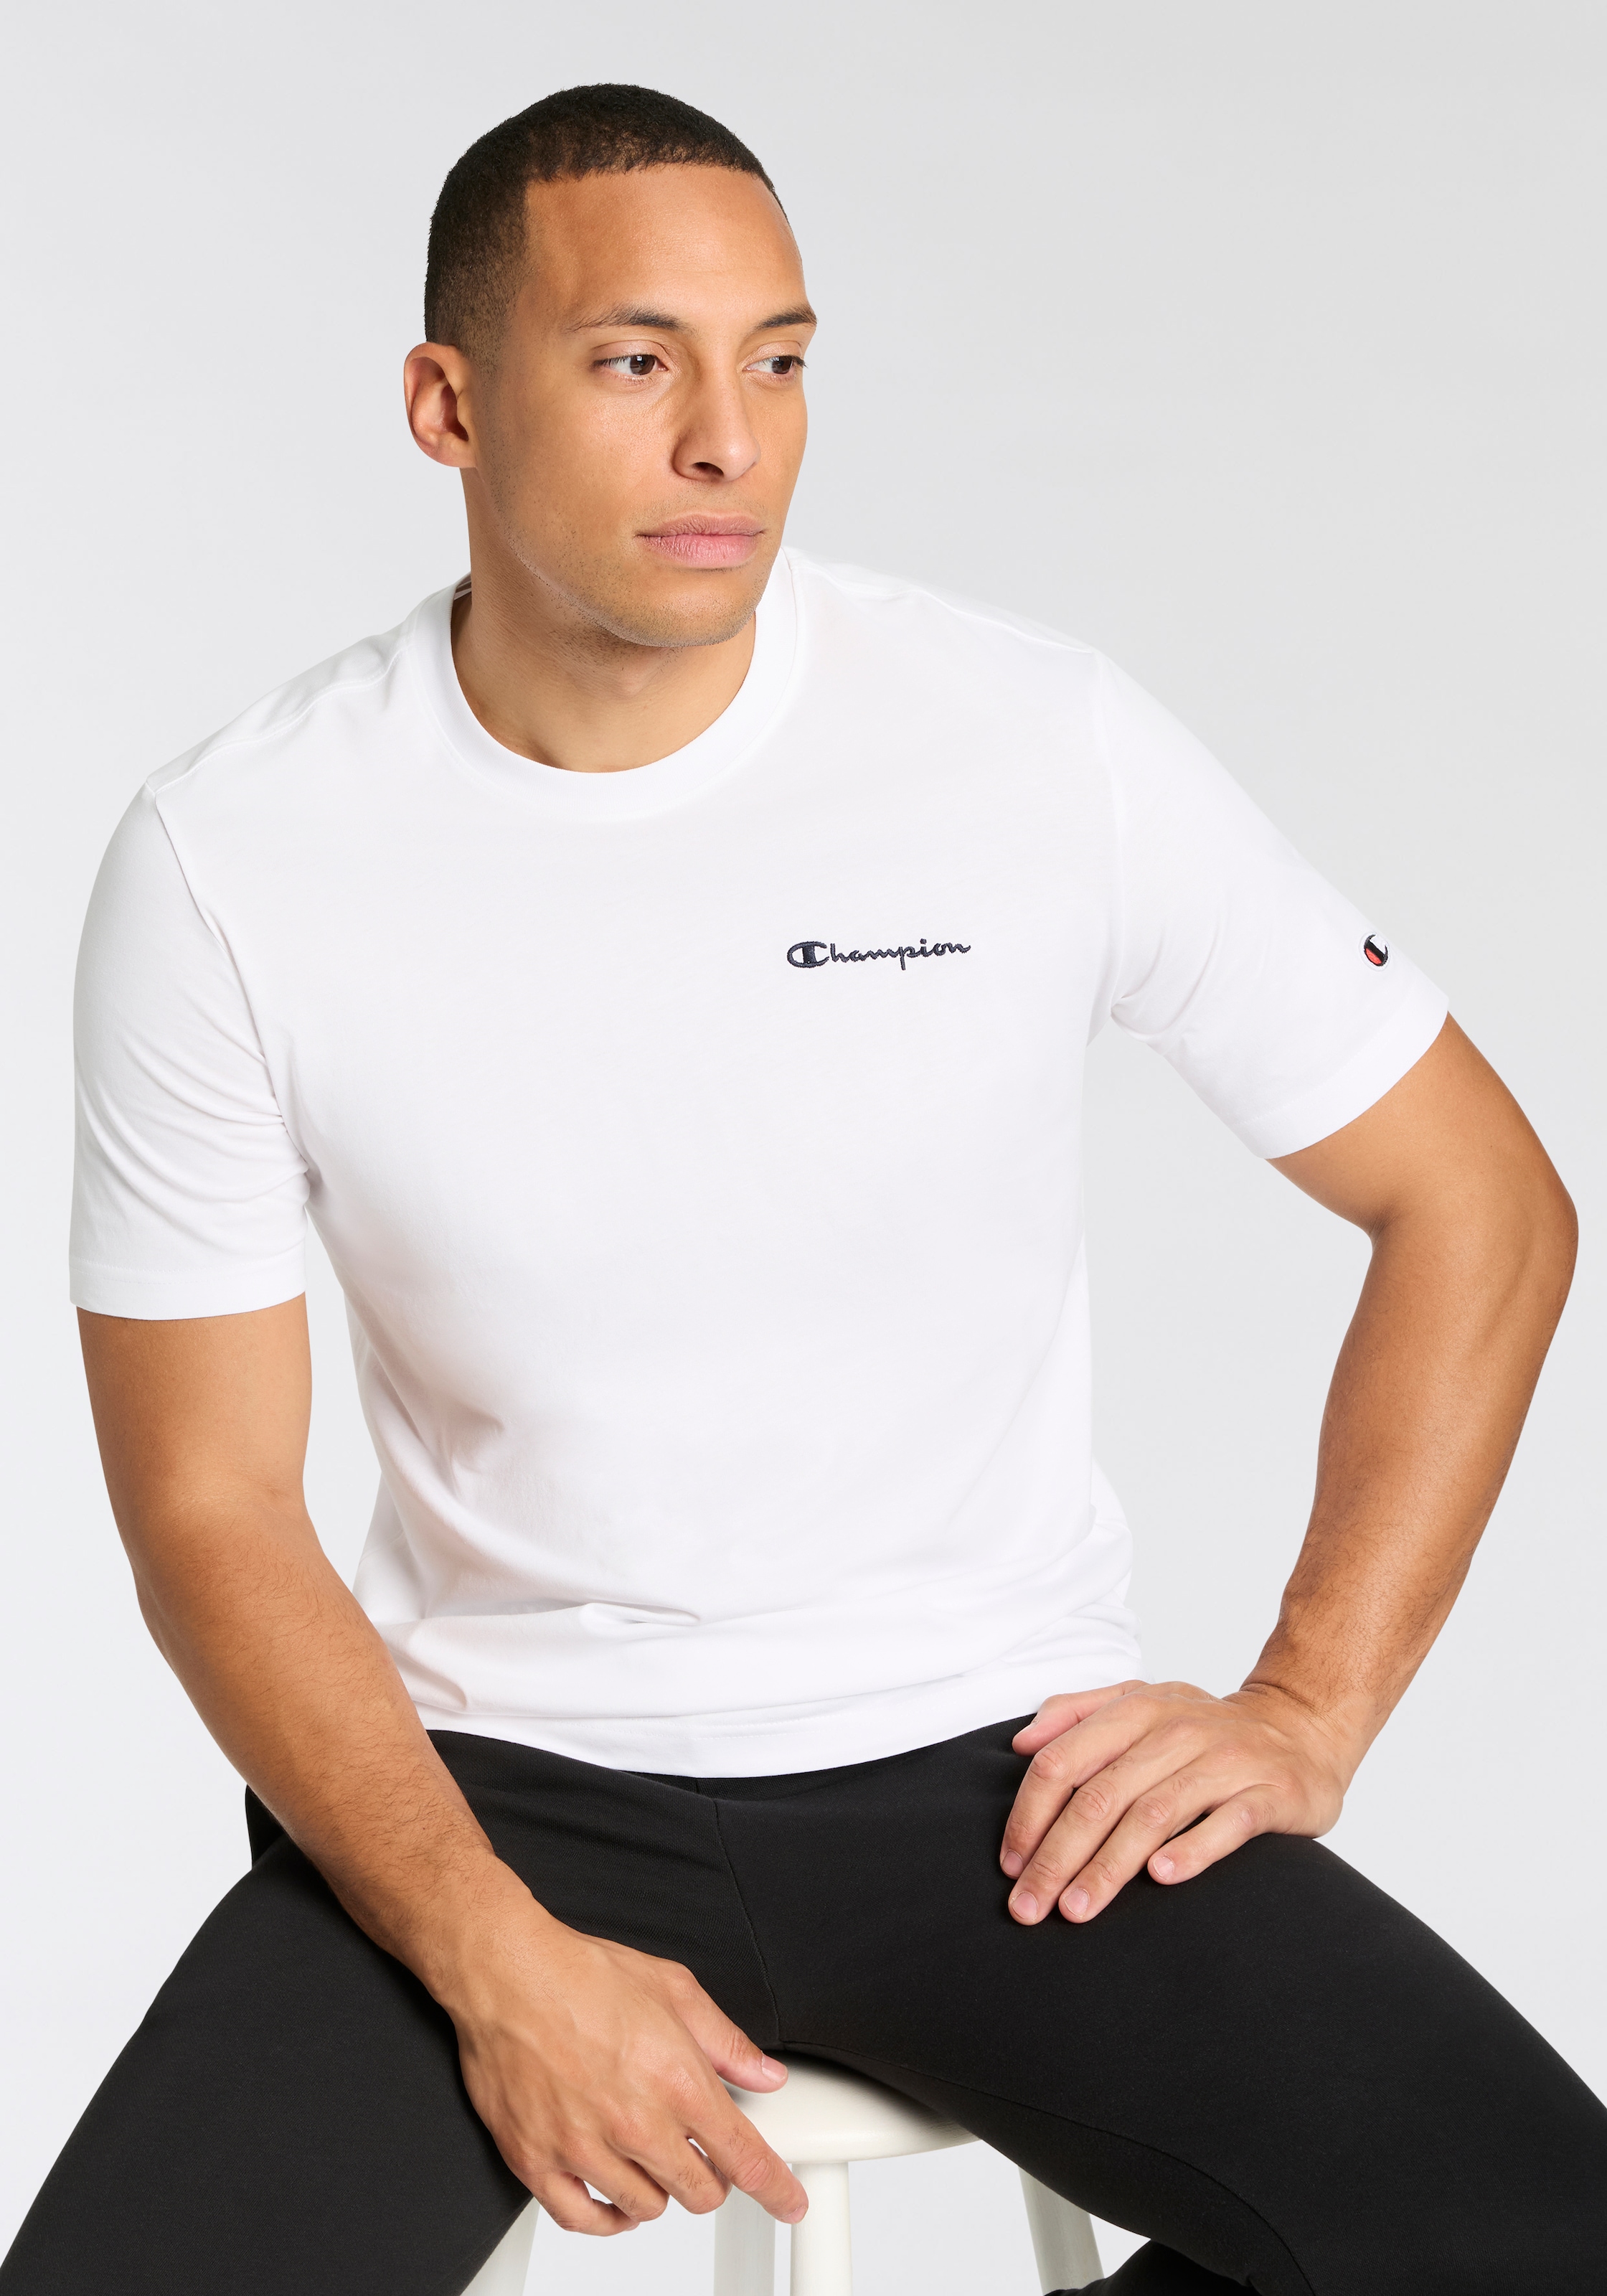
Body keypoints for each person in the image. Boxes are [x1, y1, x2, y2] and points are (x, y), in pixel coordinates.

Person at [4, 80, 1603, 2296]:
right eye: (634, 360)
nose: (728, 441)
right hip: (499, 1786)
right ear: (448, 405)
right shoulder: (234, 859)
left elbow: (1481, 1202)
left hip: (998, 1789)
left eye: (779, 360)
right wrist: (490, 1955)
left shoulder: (1027, 743)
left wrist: (1305, 1706)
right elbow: (207, 1507)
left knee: (1546, 2237)